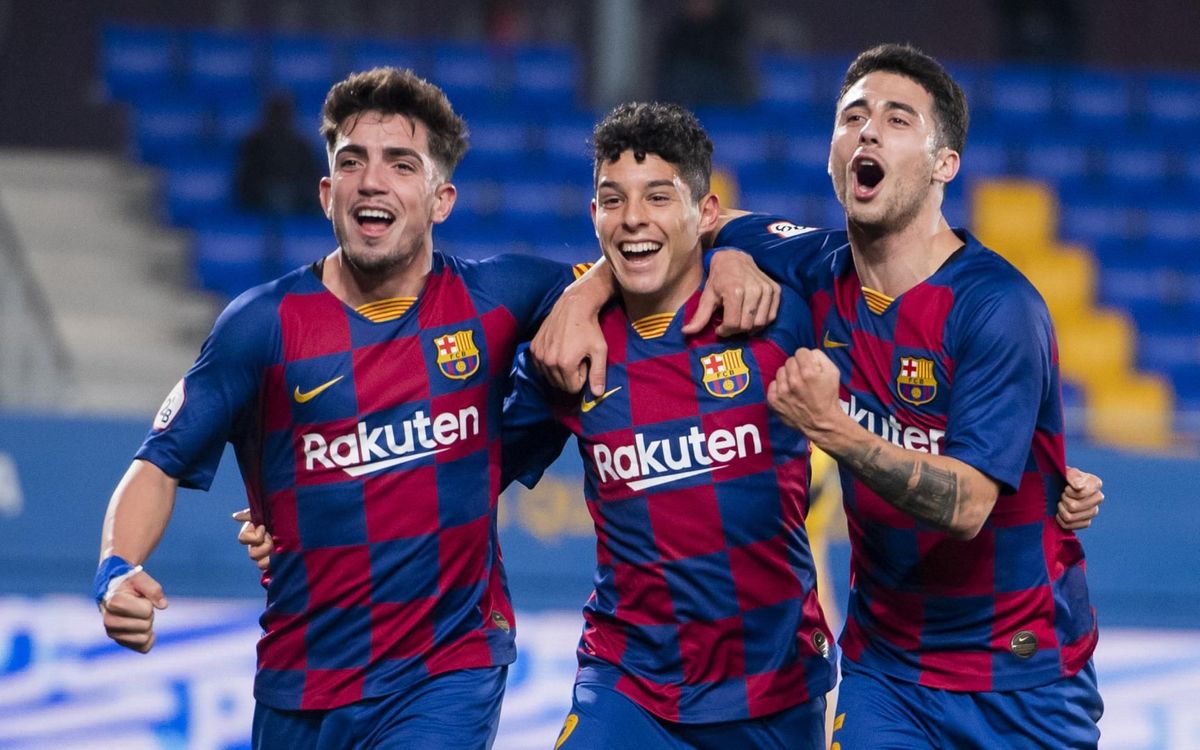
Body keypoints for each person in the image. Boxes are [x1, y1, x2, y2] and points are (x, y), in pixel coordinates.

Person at [531, 43, 1105, 748]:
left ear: (944, 164)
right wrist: (585, 292)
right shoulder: (813, 268)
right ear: (833, 155)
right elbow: (679, 222)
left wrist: (833, 429)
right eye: (853, 116)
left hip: (1022, 672)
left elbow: (969, 506)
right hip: (886, 669)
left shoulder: (996, 305)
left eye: (897, 120)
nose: (867, 131)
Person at [95, 66, 587, 750]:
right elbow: (158, 461)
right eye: (351, 161)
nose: (371, 180)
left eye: (400, 164)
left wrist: (728, 256)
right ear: (327, 191)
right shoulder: (260, 328)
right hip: (302, 681)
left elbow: (645, 268)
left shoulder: (499, 299)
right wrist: (117, 569)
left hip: (447, 670)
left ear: (442, 198)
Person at [504, 101, 836, 748]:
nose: (632, 218)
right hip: (629, 685)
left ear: (705, 213)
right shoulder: (568, 346)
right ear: (592, 214)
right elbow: (464, 471)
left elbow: (878, 273)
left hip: (773, 684)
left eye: (659, 196)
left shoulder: (775, 312)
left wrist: (735, 249)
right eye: (612, 200)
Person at [233, 91, 325, 217]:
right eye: (275, 114)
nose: (279, 120)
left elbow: (314, 184)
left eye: (283, 114)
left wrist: (293, 196)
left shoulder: (302, 147)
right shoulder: (252, 146)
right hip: (257, 208)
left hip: (297, 209)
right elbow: (243, 184)